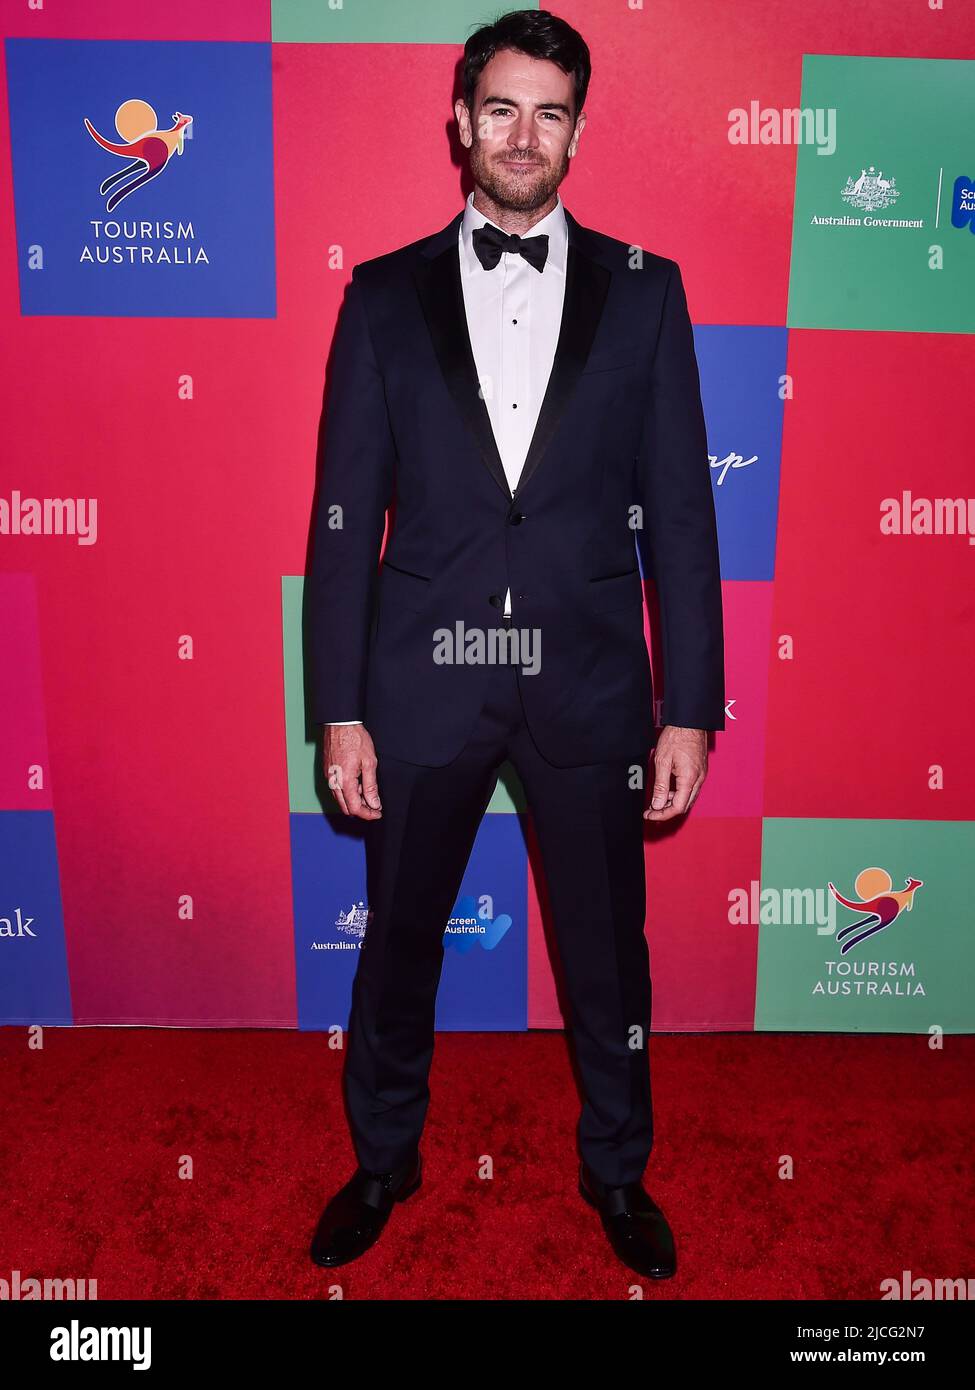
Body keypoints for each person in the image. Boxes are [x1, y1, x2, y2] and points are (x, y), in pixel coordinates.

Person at [307, 8, 725, 1280]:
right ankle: (383, 1158)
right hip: (420, 683)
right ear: (460, 122)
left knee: (609, 958)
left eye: (550, 110)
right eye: (501, 107)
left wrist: (690, 706)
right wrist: (340, 707)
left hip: (590, 684)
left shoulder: (650, 297)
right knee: (397, 945)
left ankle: (618, 1170)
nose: (524, 134)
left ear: (580, 129)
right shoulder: (379, 297)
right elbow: (339, 521)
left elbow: (686, 520)